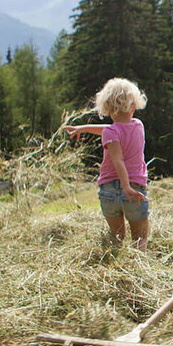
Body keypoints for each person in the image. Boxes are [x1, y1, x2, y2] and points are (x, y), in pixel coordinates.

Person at [64, 77, 150, 250]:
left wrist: (83, 128)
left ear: (107, 108)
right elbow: (118, 152)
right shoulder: (138, 126)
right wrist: (126, 186)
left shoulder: (110, 133)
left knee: (116, 239)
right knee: (140, 238)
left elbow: (112, 135)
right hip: (133, 189)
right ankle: (139, 269)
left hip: (109, 192)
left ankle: (116, 268)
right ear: (134, 104)